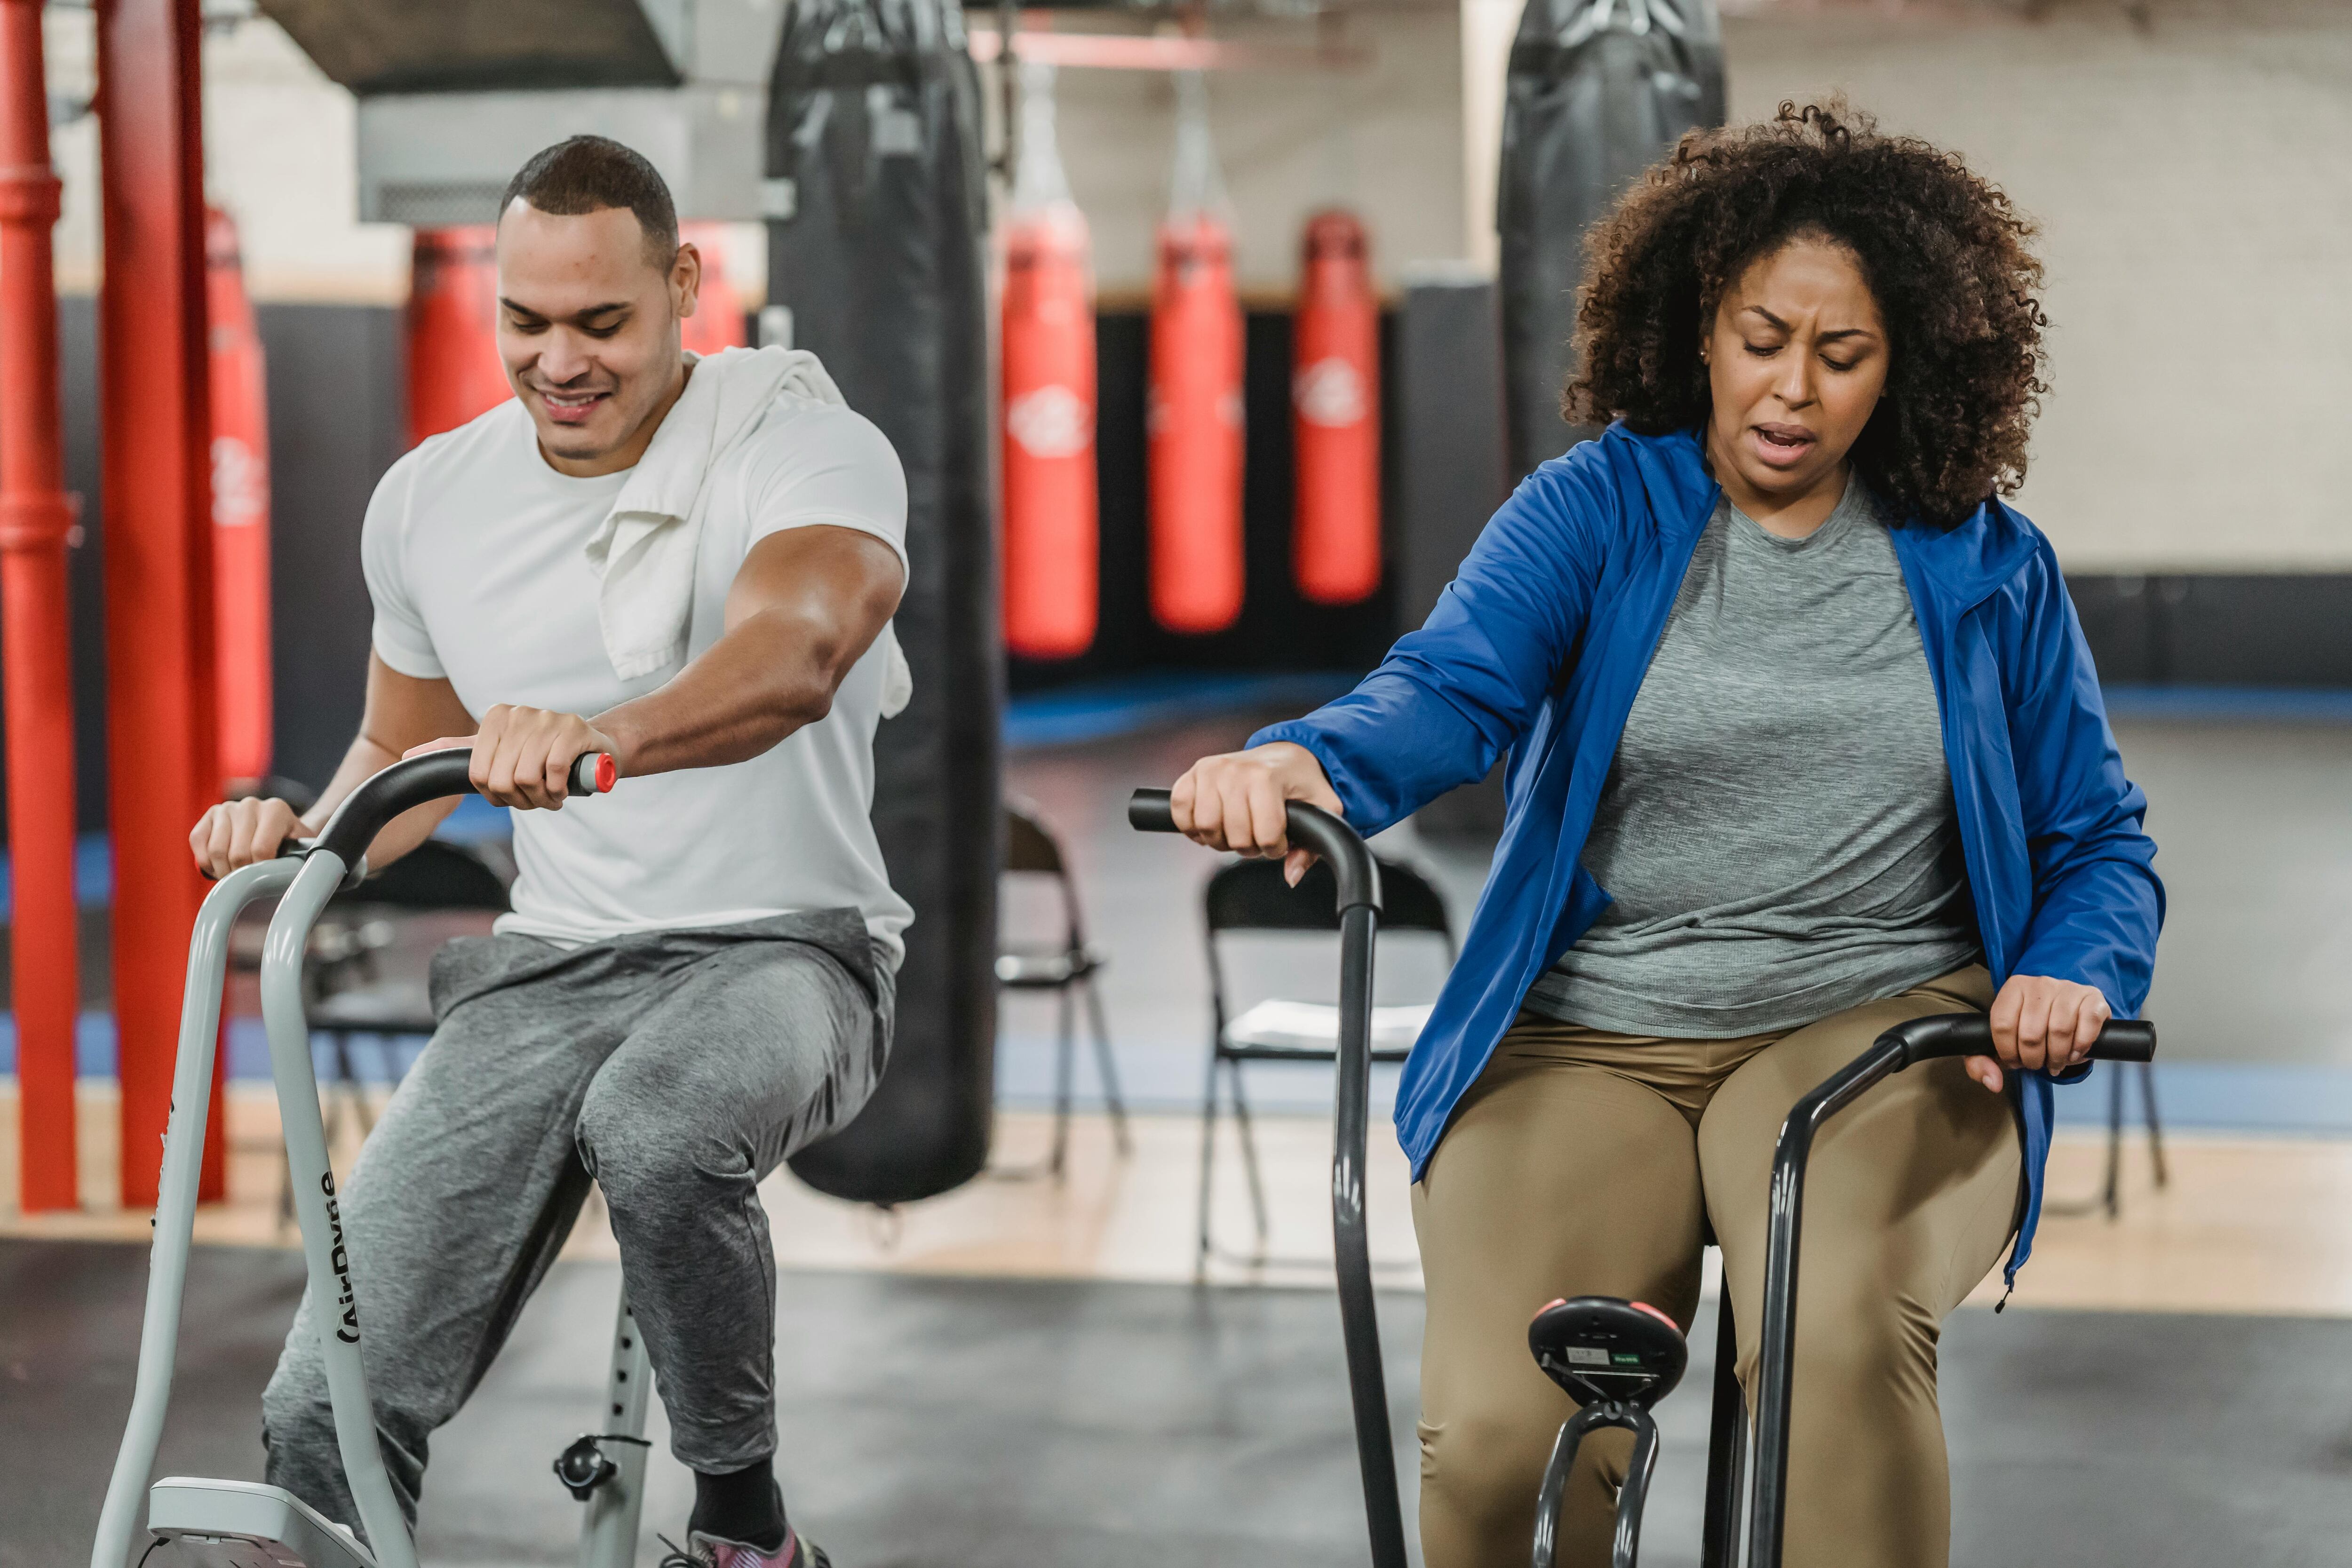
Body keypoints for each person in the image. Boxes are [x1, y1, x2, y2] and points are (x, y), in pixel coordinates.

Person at [1170, 103, 2161, 1568]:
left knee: (1830, 1349)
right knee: (1504, 1449)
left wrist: (2074, 966)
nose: (1792, 393)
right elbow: (1449, 688)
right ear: (1701, 324)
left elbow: (2098, 841)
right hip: (1591, 1030)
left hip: (1880, 1028)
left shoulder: (1986, 567)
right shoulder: (1596, 512)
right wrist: (1307, 758)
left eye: (1844, 357)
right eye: (1764, 339)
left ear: (1908, 367)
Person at [190, 135, 912, 1568]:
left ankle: (745, 1530)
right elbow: (396, 771)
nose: (561, 361)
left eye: (602, 323)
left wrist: (602, 738)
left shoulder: (804, 442)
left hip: (790, 950)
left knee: (659, 1126)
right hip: (550, 969)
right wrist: (295, 827)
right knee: (322, 1398)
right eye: (527, 322)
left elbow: (800, 651)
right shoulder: (429, 501)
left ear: (683, 288)